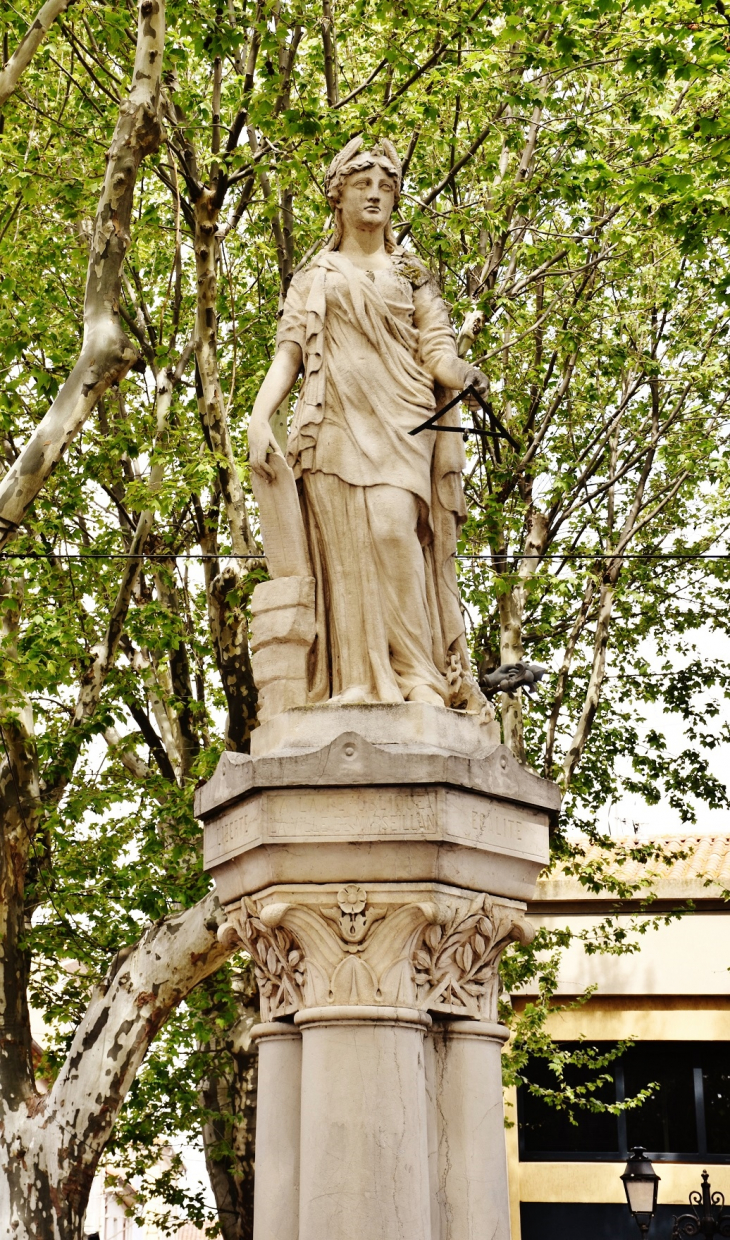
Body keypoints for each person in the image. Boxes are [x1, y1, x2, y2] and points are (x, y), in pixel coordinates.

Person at [248, 136, 489, 711]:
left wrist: (462, 375)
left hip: (403, 420)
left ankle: (419, 676)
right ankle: (355, 679)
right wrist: (260, 417)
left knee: (390, 531)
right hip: (329, 424)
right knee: (344, 552)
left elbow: (437, 349)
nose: (376, 195)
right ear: (339, 197)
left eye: (386, 186)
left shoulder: (412, 275)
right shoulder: (314, 277)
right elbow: (289, 353)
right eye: (363, 185)